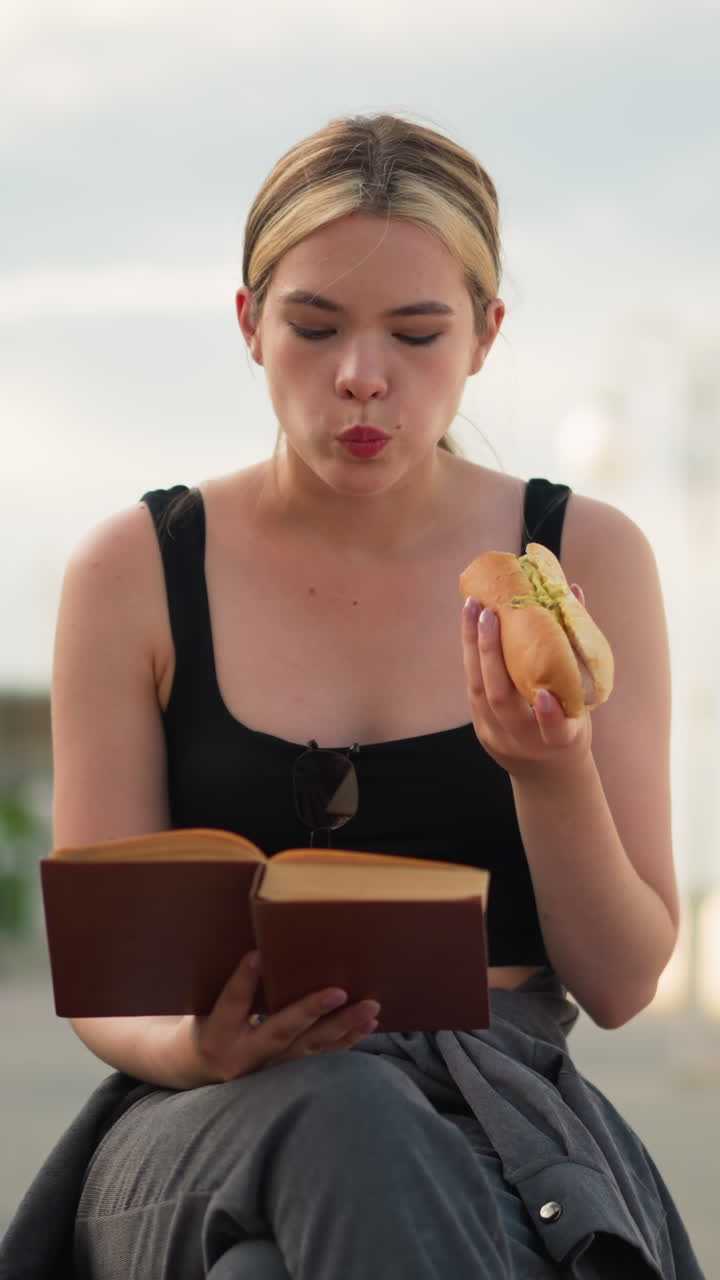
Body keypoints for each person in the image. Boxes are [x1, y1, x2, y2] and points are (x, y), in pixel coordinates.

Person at [0, 113, 704, 1280]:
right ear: (248, 324)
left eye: (418, 333)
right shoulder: (134, 567)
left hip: (495, 1102)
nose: (361, 375)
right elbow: (105, 980)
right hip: (205, 1111)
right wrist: (194, 1040)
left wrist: (549, 765)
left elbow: (626, 979)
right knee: (341, 1105)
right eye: (313, 326)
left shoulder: (580, 557)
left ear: (485, 336)